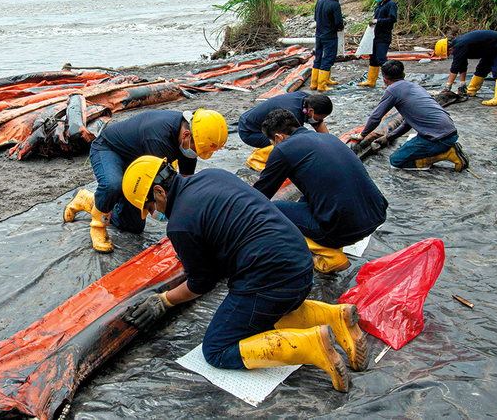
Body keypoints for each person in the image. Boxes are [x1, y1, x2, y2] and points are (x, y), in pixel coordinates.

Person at [120, 156, 369, 392]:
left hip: (273, 281)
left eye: (150, 206)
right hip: (301, 266)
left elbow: (201, 283)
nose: (153, 214)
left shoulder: (180, 225)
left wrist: (163, 301)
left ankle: (312, 345)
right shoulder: (212, 176)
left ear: (159, 192)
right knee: (266, 315)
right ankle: (336, 317)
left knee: (216, 349)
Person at [63, 109, 227, 253]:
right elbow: (156, 187)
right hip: (110, 150)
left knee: (133, 225)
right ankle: (98, 225)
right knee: (114, 185)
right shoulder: (158, 139)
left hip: (138, 161)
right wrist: (179, 222)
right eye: (198, 150)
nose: (197, 154)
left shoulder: (192, 139)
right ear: (186, 135)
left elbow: (185, 183)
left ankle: (90, 201)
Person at [253, 109, 388, 273]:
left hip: (342, 231)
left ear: (278, 137)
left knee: (274, 209)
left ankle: (330, 255)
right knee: (308, 195)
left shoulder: (283, 149)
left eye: (271, 142)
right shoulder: (327, 137)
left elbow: (259, 195)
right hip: (376, 214)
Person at [352, 60, 469, 172]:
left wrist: (362, 135)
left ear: (384, 80)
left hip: (437, 138)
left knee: (397, 161)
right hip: (448, 133)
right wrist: (388, 137)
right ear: (404, 74)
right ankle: (446, 148)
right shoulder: (415, 87)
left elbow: (376, 117)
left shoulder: (392, 90)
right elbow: (407, 123)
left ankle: (447, 153)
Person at [238, 92, 333, 171]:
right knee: (291, 144)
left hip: (253, 122)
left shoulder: (308, 100)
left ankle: (265, 147)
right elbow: (295, 142)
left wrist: (329, 146)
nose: (320, 120)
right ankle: (256, 159)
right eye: (320, 117)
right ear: (311, 111)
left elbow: (319, 125)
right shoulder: (292, 115)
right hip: (249, 132)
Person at [435, 30, 497, 106]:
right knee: (482, 69)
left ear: (449, 48)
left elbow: (455, 68)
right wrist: (462, 82)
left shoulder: (459, 45)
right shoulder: (459, 44)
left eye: (449, 54)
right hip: (490, 48)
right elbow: (462, 64)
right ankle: (471, 91)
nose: (451, 55)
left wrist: (448, 85)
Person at [359, 0, 397, 88]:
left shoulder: (391, 4)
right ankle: (371, 80)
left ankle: (390, 81)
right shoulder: (379, 4)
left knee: (381, 58)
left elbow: (392, 18)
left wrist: (378, 21)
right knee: (373, 58)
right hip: (375, 35)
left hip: (383, 35)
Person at [311, 0, 345, 92]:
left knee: (318, 58)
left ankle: (314, 83)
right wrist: (340, 27)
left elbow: (316, 18)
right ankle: (322, 86)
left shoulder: (320, 1)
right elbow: (338, 22)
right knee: (328, 59)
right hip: (329, 36)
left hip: (319, 35)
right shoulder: (334, 4)